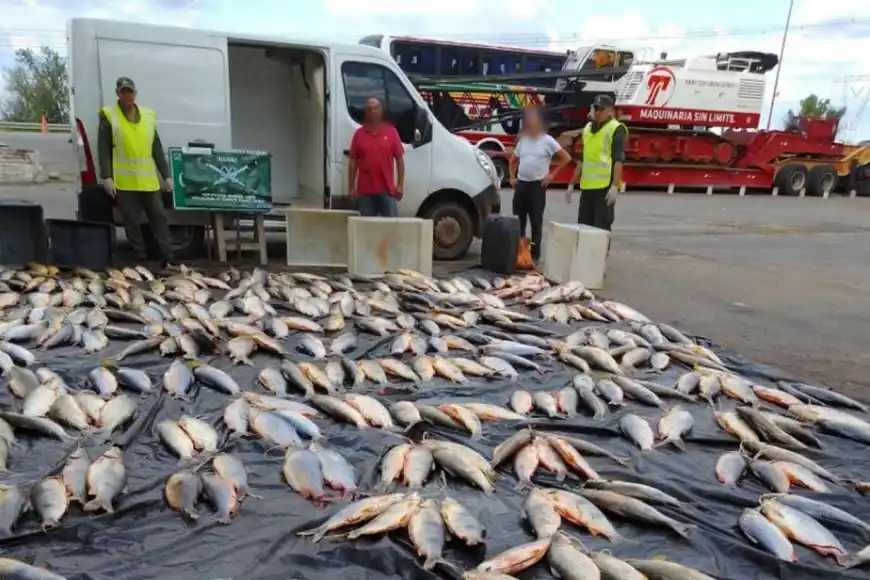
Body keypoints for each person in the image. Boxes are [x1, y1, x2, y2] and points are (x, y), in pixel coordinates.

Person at [97, 76, 175, 267]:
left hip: (148, 181)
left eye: (130, 91)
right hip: (125, 182)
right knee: (131, 220)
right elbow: (103, 148)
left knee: (159, 216)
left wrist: (166, 175)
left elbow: (156, 147)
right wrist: (106, 176)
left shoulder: (148, 117)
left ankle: (168, 256)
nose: (127, 95)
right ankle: (139, 257)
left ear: (135, 93)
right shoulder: (109, 115)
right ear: (117, 93)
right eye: (123, 91)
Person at [508, 107, 571, 262]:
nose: (530, 124)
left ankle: (534, 255)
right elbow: (513, 160)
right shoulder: (524, 140)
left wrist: (552, 175)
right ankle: (520, 253)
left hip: (537, 187)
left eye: (533, 121)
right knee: (519, 222)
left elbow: (566, 158)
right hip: (521, 185)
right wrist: (511, 177)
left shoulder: (548, 141)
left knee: (536, 222)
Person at [565, 94, 627, 232]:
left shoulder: (616, 129)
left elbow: (618, 159)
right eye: (595, 108)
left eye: (601, 109)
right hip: (587, 188)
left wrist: (615, 186)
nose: (597, 112)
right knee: (583, 227)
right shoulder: (588, 129)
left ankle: (601, 254)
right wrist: (571, 183)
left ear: (610, 111)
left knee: (601, 228)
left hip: (604, 189)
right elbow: (583, 159)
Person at [348, 98, 405, 217]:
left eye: (376, 108)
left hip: (387, 190)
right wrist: (351, 187)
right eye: (369, 109)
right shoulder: (359, 134)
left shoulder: (391, 132)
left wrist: (399, 185)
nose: (373, 111)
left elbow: (399, 160)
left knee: (391, 226)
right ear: (366, 112)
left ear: (381, 111)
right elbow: (353, 161)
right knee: (367, 227)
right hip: (365, 192)